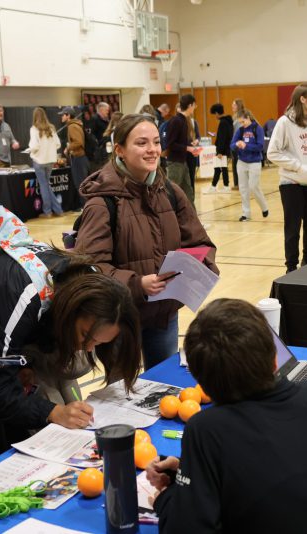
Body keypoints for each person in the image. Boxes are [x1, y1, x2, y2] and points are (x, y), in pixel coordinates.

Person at [147, 299, 307, 534]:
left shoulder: (207, 429)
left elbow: (185, 528)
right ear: (275, 359)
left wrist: (166, 497)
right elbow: (271, 472)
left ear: (205, 387)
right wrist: (188, 473)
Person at [0, 238, 142, 477]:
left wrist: (27, 364)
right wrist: (53, 412)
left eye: (99, 343)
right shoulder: (24, 294)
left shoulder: (91, 285)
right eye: (84, 336)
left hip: (0, 336)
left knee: (18, 433)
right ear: (71, 311)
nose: (88, 348)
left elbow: (36, 330)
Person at [76, 114, 218, 369]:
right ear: (119, 149)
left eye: (155, 142)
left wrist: (199, 268)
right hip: (118, 320)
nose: (152, 150)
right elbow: (90, 267)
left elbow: (199, 242)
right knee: (122, 395)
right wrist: (137, 284)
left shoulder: (172, 192)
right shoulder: (102, 203)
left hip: (163, 315)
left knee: (164, 385)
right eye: (142, 143)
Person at [267, 84, 307, 273]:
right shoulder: (285, 122)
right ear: (302, 99)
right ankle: (291, 268)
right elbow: (272, 152)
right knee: (293, 228)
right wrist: (298, 165)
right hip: (291, 183)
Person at [230, 109, 269, 221]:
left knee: (253, 186)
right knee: (243, 188)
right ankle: (246, 213)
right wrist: (237, 144)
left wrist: (246, 146)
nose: (242, 124)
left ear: (248, 117)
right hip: (241, 162)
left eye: (243, 122)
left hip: (255, 163)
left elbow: (260, 146)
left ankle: (264, 206)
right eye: (240, 122)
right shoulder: (240, 130)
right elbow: (232, 144)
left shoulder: (258, 128)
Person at [163, 94, 201, 205]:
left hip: (183, 162)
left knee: (189, 193)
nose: (195, 107)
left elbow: (182, 143)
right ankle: (170, 219)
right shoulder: (176, 121)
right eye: (194, 105)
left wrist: (191, 149)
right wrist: (188, 148)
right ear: (190, 105)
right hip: (175, 163)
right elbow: (171, 144)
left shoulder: (184, 121)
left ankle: (192, 221)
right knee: (172, 193)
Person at [28, 107, 63, 218]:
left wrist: (30, 150)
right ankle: (58, 210)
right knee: (47, 185)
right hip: (50, 161)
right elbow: (58, 144)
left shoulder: (34, 129)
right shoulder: (51, 128)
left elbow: (34, 146)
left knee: (44, 186)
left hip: (39, 161)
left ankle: (48, 212)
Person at [59, 106, 89, 210]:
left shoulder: (72, 126)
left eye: (63, 115)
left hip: (79, 158)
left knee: (80, 183)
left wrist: (68, 148)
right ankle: (85, 206)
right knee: (81, 183)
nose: (61, 117)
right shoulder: (75, 125)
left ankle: (85, 207)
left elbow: (78, 142)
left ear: (68, 115)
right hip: (80, 158)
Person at [204, 103, 233, 193]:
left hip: (222, 150)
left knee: (218, 168)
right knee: (223, 168)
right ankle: (225, 186)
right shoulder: (228, 121)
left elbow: (222, 138)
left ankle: (214, 187)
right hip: (226, 148)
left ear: (216, 113)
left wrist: (220, 151)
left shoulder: (223, 122)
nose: (215, 116)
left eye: (214, 114)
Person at [230, 99, 246, 190]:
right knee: (235, 164)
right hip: (234, 142)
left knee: (238, 164)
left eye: (234, 105)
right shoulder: (234, 116)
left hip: (239, 143)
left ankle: (239, 184)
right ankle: (237, 183)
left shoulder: (241, 116)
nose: (232, 106)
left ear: (238, 106)